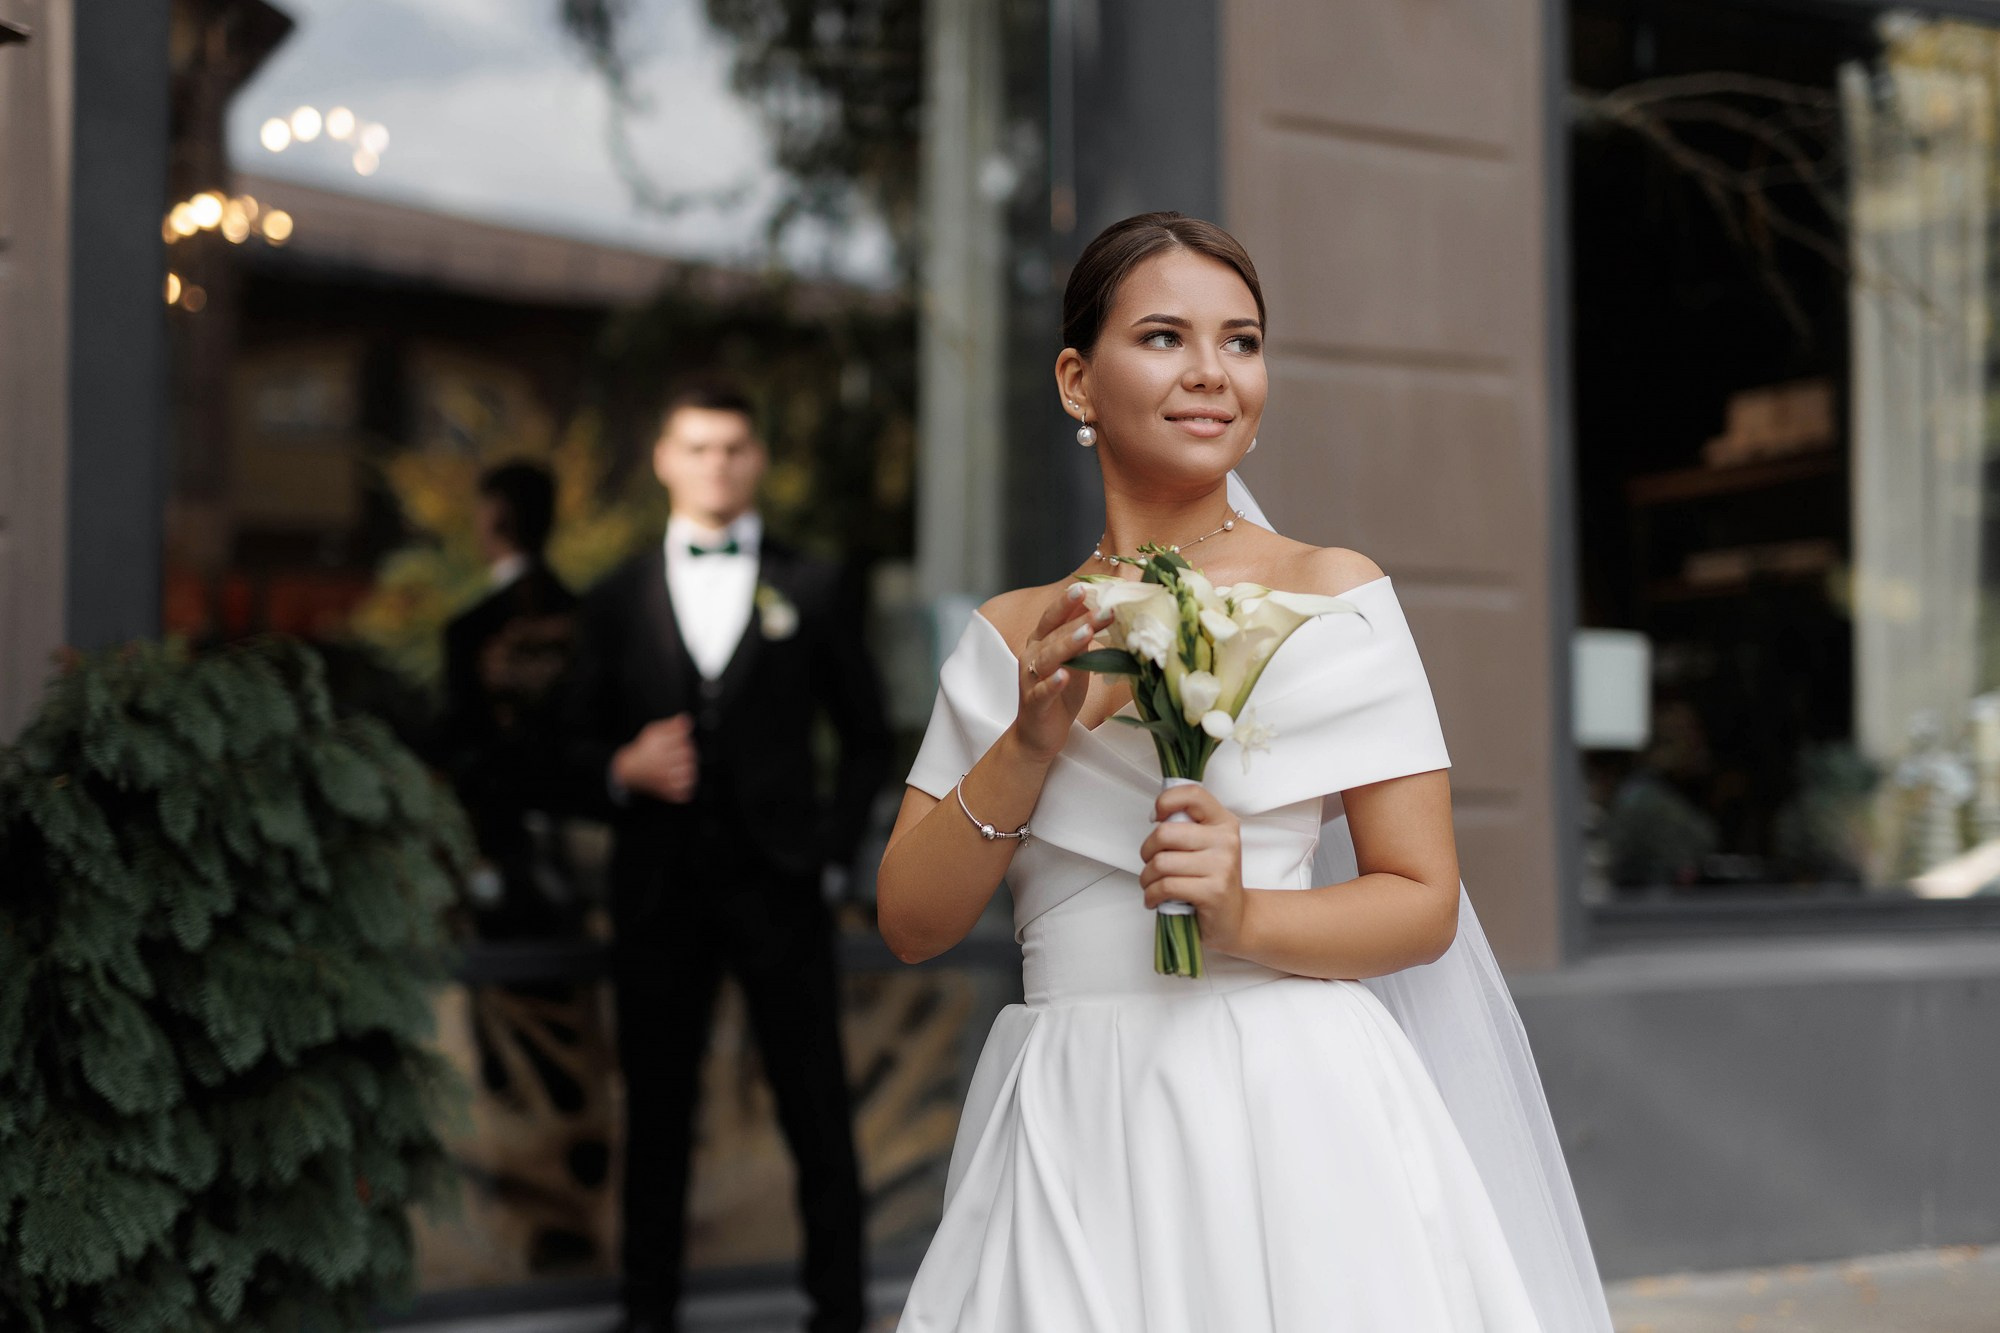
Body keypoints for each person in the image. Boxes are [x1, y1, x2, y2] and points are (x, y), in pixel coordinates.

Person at [878, 213, 1614, 1331]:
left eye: (1242, 341)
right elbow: (910, 922)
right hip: (1069, 1114)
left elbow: (1420, 904)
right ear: (1077, 379)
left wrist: (1240, 914)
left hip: (1286, 1107)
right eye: (1166, 338)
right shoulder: (1008, 638)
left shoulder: (1333, 596)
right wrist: (1024, 746)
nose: (1213, 374)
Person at [562, 383, 890, 1333]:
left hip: (781, 888)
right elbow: (563, 744)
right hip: (658, 890)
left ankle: (839, 1313)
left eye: (735, 447)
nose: (717, 463)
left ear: (758, 460)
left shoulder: (816, 584)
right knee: (656, 1114)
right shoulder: (616, 595)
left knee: (816, 1109)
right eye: (698, 447)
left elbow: (866, 737)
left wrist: (830, 854)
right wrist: (620, 766)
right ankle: (647, 1314)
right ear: (665, 459)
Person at [438, 460, 579, 938]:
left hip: (500, 839)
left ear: (495, 514)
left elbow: (461, 736)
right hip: (580, 832)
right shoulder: (590, 617)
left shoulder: (471, 629)